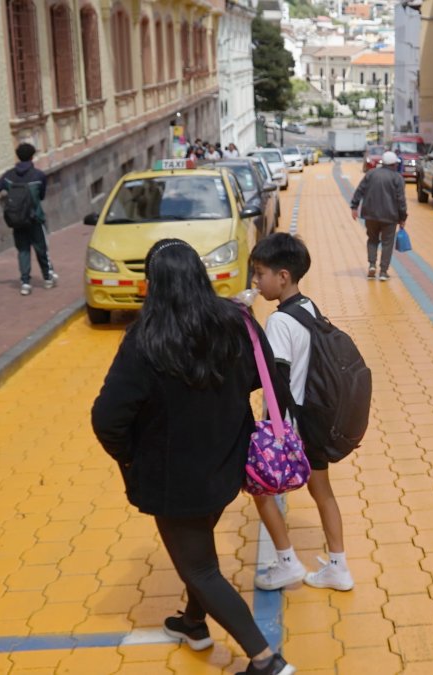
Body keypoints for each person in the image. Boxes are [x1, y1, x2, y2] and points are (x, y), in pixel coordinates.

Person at [91, 239, 295, 675]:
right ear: (200, 276)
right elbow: (272, 383)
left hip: (174, 480)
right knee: (197, 547)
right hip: (228, 465)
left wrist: (131, 457)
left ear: (154, 285)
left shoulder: (146, 338)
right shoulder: (236, 321)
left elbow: (107, 418)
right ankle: (193, 623)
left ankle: (266, 660)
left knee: (200, 567)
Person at [248, 234, 353, 593]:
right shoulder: (309, 307)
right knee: (322, 490)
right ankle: (338, 566)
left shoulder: (279, 322)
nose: (255, 282)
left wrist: (267, 429)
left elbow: (275, 381)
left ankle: (287, 562)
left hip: (290, 429)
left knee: (260, 491)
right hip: (316, 421)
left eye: (259, 274)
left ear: (282, 276)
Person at [0, 143, 56, 296]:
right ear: (32, 156)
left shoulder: (9, 175)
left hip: (17, 220)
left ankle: (25, 283)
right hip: (35, 218)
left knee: (23, 250)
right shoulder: (38, 176)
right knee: (41, 249)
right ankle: (47, 278)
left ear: (18, 156)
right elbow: (41, 195)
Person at [350, 150, 407, 281]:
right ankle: (383, 271)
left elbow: (360, 190)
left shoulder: (371, 174)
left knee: (372, 239)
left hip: (370, 215)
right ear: (393, 164)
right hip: (390, 217)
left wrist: (354, 206)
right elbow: (401, 200)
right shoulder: (397, 178)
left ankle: (371, 265)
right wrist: (403, 218)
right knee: (387, 243)